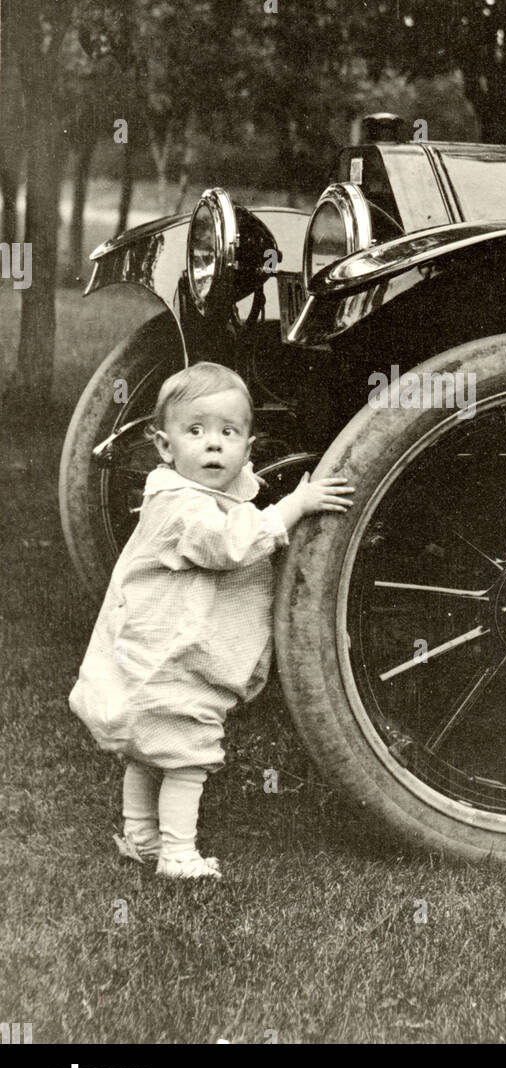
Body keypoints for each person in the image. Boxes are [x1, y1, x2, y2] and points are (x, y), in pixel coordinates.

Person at [69, 361, 353, 879]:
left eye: (229, 432)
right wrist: (296, 505)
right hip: (173, 664)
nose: (214, 445)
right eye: (195, 431)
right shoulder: (181, 506)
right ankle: (178, 854)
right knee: (186, 758)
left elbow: (236, 519)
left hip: (166, 658)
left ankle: (141, 835)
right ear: (164, 446)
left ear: (247, 446)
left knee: (150, 750)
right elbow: (230, 545)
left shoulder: (201, 495)